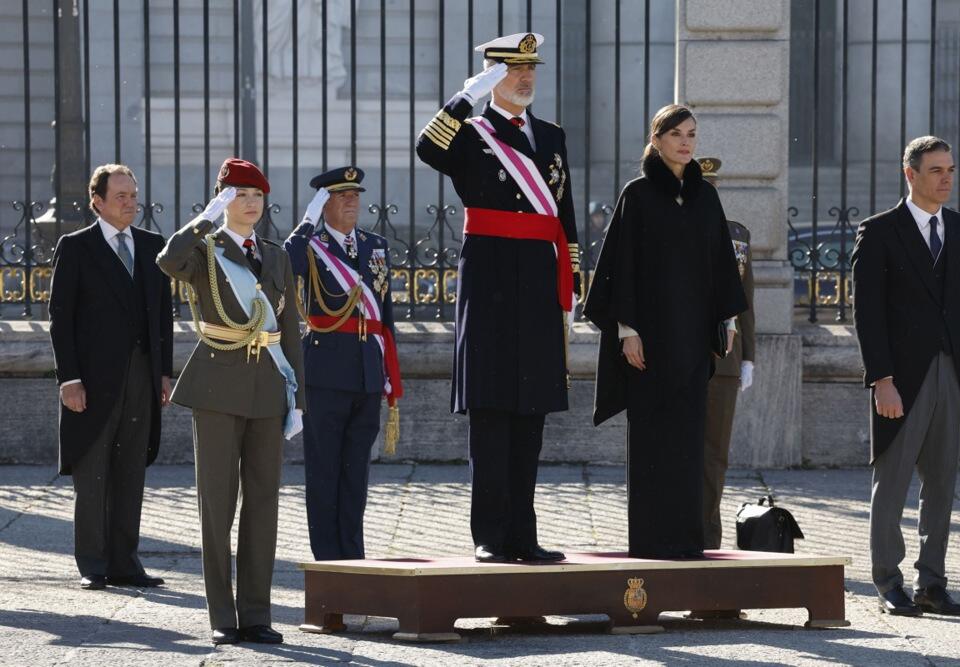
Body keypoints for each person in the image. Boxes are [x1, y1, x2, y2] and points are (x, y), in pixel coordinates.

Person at [416, 32, 581, 563]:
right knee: (490, 411)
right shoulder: (470, 133)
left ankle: (523, 536)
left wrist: (572, 277)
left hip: (538, 279)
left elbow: (563, 212)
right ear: (493, 77)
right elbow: (426, 148)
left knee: (530, 413)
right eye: (513, 70)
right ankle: (489, 534)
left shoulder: (551, 135)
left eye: (531, 68)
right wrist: (466, 96)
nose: (526, 77)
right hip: (488, 280)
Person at [584, 105, 747, 560]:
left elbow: (720, 264)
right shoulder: (637, 195)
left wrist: (728, 320)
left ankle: (686, 542)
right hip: (648, 342)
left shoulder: (705, 197)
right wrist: (627, 330)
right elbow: (621, 266)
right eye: (676, 134)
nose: (686, 142)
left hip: (692, 340)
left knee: (689, 441)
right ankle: (651, 542)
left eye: (691, 134)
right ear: (656, 140)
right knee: (652, 440)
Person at [156, 158, 305, 645]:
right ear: (223, 199)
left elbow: (290, 329)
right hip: (217, 386)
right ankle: (223, 614)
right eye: (240, 194)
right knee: (217, 505)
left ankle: (256, 613)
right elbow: (167, 261)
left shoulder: (276, 255)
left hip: (268, 386)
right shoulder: (204, 249)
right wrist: (204, 219)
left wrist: (298, 397)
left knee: (263, 503)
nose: (251, 203)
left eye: (257, 195)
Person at [852, 136, 960, 617]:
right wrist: (881, 379)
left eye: (950, 169)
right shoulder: (878, 232)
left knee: (942, 482)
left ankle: (932, 583)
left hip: (953, 373)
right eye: (936, 170)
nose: (946, 178)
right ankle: (888, 582)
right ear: (910, 174)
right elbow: (867, 314)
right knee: (891, 482)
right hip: (901, 378)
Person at [48, 163, 173, 591]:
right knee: (93, 472)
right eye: (120, 196)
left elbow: (162, 316)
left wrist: (164, 373)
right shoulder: (76, 247)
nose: (130, 203)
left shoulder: (152, 246)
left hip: (141, 375)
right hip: (92, 380)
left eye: (133, 195)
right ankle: (93, 563)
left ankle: (125, 563)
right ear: (97, 201)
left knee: (130, 470)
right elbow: (60, 318)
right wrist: (69, 379)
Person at [284, 166, 401, 562]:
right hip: (326, 371)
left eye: (355, 195)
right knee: (324, 471)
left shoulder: (375, 245)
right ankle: (328, 560)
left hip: (367, 371)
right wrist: (306, 223)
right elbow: (284, 268)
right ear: (324, 204)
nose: (352, 201)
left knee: (355, 473)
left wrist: (389, 372)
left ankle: (353, 556)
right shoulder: (310, 246)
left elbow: (385, 314)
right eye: (341, 195)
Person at [698, 156, 756, 551]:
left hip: (724, 359)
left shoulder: (737, 236)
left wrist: (748, 357)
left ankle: (707, 539)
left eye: (712, 188)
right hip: (679, 358)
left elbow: (745, 301)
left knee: (715, 456)